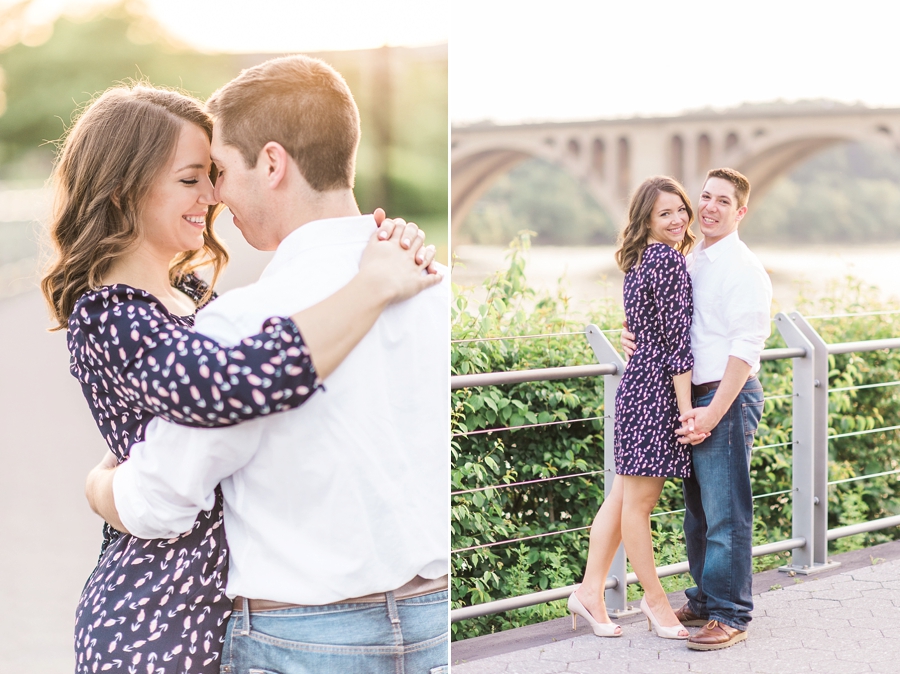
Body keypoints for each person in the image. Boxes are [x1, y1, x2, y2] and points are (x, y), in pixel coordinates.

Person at [40, 83, 440, 673]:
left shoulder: (195, 297)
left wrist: (368, 254)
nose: (213, 196)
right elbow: (230, 386)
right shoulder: (110, 312)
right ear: (125, 189)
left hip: (230, 607)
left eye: (215, 173)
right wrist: (370, 284)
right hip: (162, 617)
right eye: (192, 178)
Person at [623, 167, 772, 650]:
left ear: (740, 211)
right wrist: (632, 335)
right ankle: (706, 600)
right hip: (689, 401)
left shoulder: (743, 269)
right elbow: (668, 320)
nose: (707, 208)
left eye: (722, 201)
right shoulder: (692, 259)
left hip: (723, 398)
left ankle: (731, 614)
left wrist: (711, 412)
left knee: (727, 512)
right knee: (698, 513)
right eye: (703, 197)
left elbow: (746, 348)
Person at [568, 176, 697, 640]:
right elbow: (678, 345)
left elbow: (642, 329)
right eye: (666, 213)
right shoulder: (667, 261)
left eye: (681, 209)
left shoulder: (643, 261)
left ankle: (588, 591)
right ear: (646, 220)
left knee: (624, 496)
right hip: (657, 393)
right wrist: (686, 410)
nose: (678, 219)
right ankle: (656, 602)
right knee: (639, 504)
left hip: (638, 387)